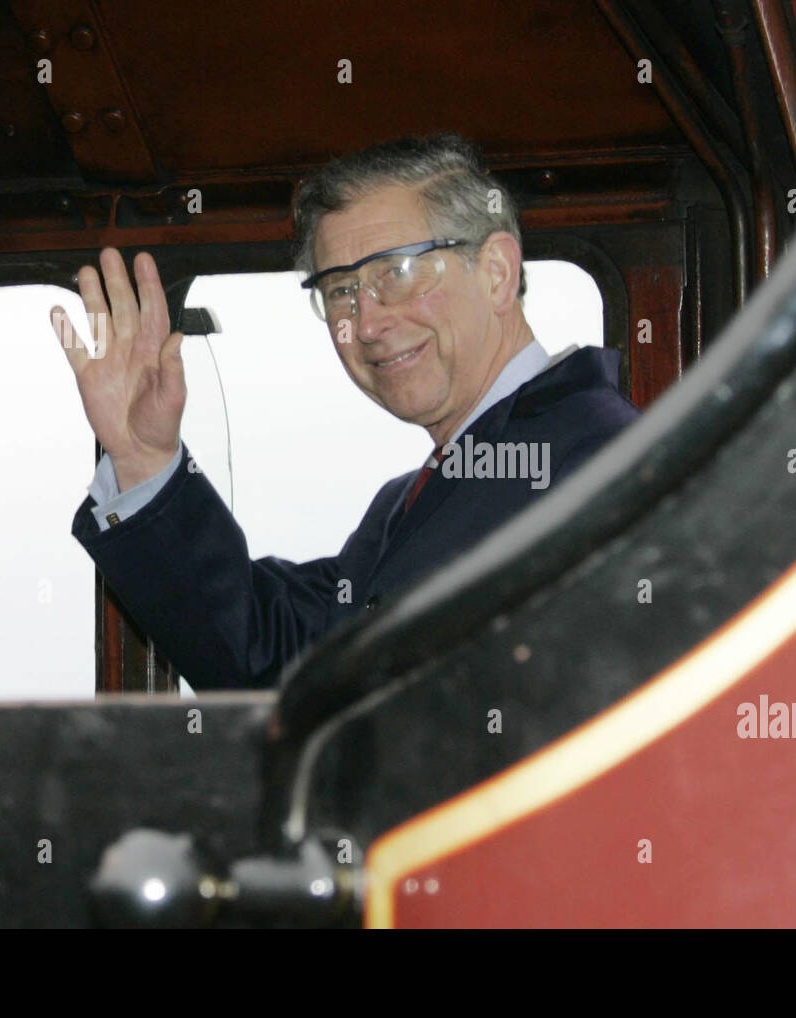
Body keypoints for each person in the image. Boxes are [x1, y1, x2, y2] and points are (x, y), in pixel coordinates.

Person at [56, 133, 639, 691]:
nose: (365, 324)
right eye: (341, 290)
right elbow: (266, 658)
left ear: (496, 273)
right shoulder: (403, 505)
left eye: (396, 272)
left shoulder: (601, 462)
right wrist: (144, 458)